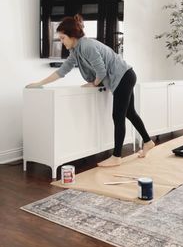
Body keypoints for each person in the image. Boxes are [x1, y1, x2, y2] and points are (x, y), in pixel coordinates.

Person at [26, 15, 155, 167]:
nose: (61, 42)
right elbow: (63, 70)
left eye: (62, 38)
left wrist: (94, 84)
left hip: (123, 77)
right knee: (129, 113)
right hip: (126, 75)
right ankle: (147, 142)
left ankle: (117, 156)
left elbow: (101, 71)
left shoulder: (87, 46)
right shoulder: (76, 51)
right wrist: (39, 83)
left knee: (118, 116)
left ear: (72, 36)